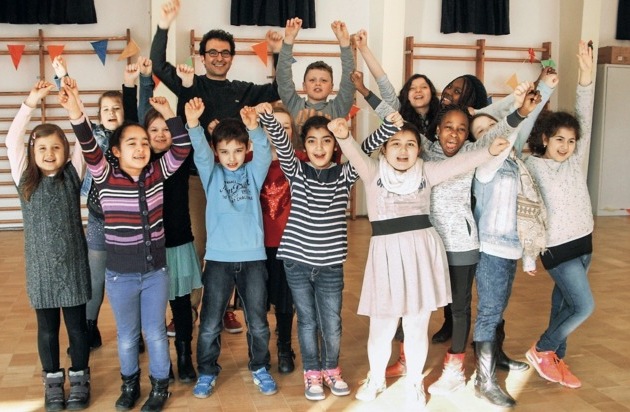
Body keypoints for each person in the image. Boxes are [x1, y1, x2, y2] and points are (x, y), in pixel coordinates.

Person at [327, 112, 510, 408]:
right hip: (386, 256)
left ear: (419, 149)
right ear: (384, 149)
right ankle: (376, 378)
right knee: (382, 326)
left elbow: (461, 163)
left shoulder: (426, 172)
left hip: (421, 254)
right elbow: (354, 151)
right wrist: (342, 135)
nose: (403, 150)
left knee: (415, 325)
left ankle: (414, 383)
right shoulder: (373, 171)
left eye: (410, 144)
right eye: (395, 144)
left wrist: (488, 150)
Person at [151, 0, 283, 333]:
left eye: (225, 52)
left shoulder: (243, 90)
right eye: (212, 52)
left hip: (240, 181)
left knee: (235, 250)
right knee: (198, 247)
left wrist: (278, 54)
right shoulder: (190, 83)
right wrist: (164, 25)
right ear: (202, 56)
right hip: (198, 179)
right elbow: (157, 65)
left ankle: (224, 308)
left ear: (232, 57)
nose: (219, 57)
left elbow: (280, 88)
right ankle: (190, 309)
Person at [60, 83, 192, 412]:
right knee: (127, 335)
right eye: (132, 143)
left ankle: (160, 386)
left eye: (145, 142)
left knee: (156, 332)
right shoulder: (105, 176)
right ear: (116, 151)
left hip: (155, 273)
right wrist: (75, 110)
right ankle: (130, 384)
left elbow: (181, 148)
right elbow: (88, 144)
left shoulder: (157, 173)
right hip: (120, 276)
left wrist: (170, 113)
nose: (141, 147)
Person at [424, 83, 541, 397]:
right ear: (437, 129)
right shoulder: (424, 149)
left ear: (468, 137)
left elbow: (497, 134)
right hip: (428, 242)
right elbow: (397, 128)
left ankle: (455, 368)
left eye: (462, 129)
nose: (454, 133)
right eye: (448, 127)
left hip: (463, 243)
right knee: (421, 305)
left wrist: (521, 112)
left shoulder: (474, 154)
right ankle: (410, 360)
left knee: (461, 308)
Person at [256, 106, 371, 401]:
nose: (319, 147)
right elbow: (281, 141)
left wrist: (386, 128)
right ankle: (312, 372)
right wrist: (267, 116)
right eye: (312, 141)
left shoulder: (345, 175)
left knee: (331, 322)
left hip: (330, 265)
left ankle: (331, 368)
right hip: (297, 262)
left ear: (335, 145)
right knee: (307, 321)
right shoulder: (296, 170)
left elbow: (365, 150)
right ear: (303, 146)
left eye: (326, 140)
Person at [471, 71, 557, 407]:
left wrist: (545, 87)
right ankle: (484, 380)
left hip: (511, 248)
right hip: (491, 250)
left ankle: (498, 355)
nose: (488, 133)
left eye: (490, 126)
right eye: (480, 131)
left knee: (499, 307)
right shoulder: (485, 165)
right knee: (489, 311)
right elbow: (511, 130)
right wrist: (517, 112)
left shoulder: (514, 161)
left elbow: (525, 214)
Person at [7, 79, 91, 411]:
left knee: (77, 328)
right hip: (40, 270)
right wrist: (31, 101)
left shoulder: (73, 174)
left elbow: (85, 139)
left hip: (74, 266)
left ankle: (80, 378)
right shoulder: (24, 177)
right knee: (47, 329)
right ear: (32, 153)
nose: (49, 153)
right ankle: (53, 380)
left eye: (56, 147)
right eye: (41, 148)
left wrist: (75, 106)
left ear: (65, 151)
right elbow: (12, 138)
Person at [187, 99, 277, 399]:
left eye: (238, 150)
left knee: (258, 322)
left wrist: (255, 128)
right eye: (224, 151)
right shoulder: (211, 173)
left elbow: (263, 152)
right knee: (210, 323)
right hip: (218, 260)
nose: (232, 157)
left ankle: (259, 367)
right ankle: (207, 371)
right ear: (216, 151)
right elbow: (200, 151)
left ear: (246, 148)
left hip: (253, 259)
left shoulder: (253, 172)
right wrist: (193, 124)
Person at [123, 61, 203, 384]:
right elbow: (128, 124)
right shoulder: (141, 163)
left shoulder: (179, 159)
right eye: (153, 130)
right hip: (150, 247)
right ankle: (162, 362)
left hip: (179, 242)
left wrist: (177, 101)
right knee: (154, 311)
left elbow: (184, 124)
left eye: (165, 129)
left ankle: (184, 356)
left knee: (181, 306)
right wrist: (130, 85)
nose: (159, 135)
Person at [524, 40, 595, 390]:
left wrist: (586, 74)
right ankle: (542, 349)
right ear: (545, 139)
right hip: (557, 247)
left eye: (571, 140)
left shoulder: (574, 161)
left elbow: (585, 110)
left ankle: (555, 360)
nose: (565, 146)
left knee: (564, 304)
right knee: (583, 307)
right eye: (559, 140)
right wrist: (541, 92)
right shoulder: (533, 165)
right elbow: (524, 127)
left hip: (584, 243)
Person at [52, 56, 130, 352]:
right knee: (95, 278)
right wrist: (62, 75)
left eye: (117, 108)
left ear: (125, 112)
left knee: (128, 278)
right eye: (106, 109)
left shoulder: (132, 137)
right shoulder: (94, 134)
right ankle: (89, 326)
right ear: (100, 115)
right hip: (99, 217)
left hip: (130, 221)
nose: (111, 113)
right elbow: (76, 109)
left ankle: (132, 331)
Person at [260, 104, 307, 374]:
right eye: (272, 126)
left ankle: (284, 346)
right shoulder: (250, 158)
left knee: (286, 299)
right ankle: (259, 349)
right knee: (259, 298)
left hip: (290, 242)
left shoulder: (301, 159)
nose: (277, 131)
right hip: (257, 243)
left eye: (285, 126)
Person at [275, 17, 356, 134]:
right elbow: (283, 78)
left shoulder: (338, 108)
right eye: (312, 80)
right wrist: (288, 40)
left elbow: (349, 83)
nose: (318, 83)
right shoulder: (294, 104)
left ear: (332, 87)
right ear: (304, 86)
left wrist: (344, 44)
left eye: (324, 80)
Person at [352, 29, 440, 136]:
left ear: (432, 92)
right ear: (406, 95)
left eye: (424, 87)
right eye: (412, 88)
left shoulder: (443, 116)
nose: (418, 90)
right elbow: (383, 82)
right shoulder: (398, 112)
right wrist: (363, 48)